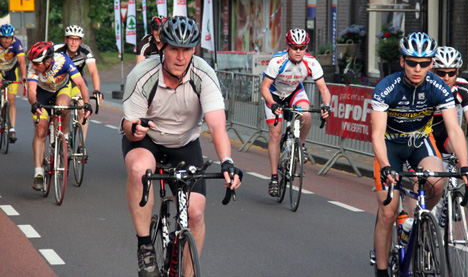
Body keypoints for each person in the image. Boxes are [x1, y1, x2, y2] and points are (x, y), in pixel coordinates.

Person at [121, 16, 243, 277]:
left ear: (194, 50)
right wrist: (136, 128)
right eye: (174, 48)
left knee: (196, 212)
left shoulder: (204, 75)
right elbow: (128, 126)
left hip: (185, 143)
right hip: (147, 139)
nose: (180, 56)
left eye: (187, 49)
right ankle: (145, 246)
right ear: (162, 47)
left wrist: (227, 162)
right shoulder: (142, 75)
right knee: (140, 169)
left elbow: (217, 126)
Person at [371, 32, 468, 277]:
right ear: (402, 61)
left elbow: (454, 130)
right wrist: (386, 166)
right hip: (390, 145)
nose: (418, 68)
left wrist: (465, 166)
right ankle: (382, 270)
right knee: (388, 210)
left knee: (438, 183)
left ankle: (415, 221)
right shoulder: (387, 87)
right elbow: (376, 134)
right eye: (412, 62)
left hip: (420, 142)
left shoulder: (438, 86)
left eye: (425, 63)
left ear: (431, 63)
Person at [260, 28, 331, 197]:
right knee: (275, 136)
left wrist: (326, 106)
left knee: (306, 115)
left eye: (302, 47)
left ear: (306, 48)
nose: (298, 51)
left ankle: (302, 145)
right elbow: (264, 87)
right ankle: (274, 178)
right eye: (295, 47)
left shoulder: (311, 62)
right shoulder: (277, 61)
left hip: (294, 92)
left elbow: (323, 88)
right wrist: (272, 104)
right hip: (274, 94)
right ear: (288, 47)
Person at [27, 41, 92, 191]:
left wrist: (87, 103)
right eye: (33, 63)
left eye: (37, 63)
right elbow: (31, 90)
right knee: (40, 130)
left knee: (63, 107)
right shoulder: (33, 68)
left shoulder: (63, 61)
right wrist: (34, 103)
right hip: (42, 93)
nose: (34, 66)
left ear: (48, 61)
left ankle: (66, 138)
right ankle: (38, 173)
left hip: (61, 88)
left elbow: (81, 83)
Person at [54, 25, 103, 140]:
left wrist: (96, 90)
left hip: (78, 83)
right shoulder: (57, 50)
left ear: (80, 41)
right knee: (63, 109)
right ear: (66, 40)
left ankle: (81, 145)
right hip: (61, 83)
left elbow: (93, 72)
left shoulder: (85, 50)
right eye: (71, 39)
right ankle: (64, 135)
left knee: (83, 108)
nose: (73, 43)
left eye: (76, 39)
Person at [0, 24, 27, 143]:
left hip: (11, 71)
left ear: (12, 37)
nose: (6, 40)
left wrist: (24, 77)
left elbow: (22, 62)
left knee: (11, 100)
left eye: (9, 37)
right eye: (3, 38)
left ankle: (12, 128)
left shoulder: (17, 44)